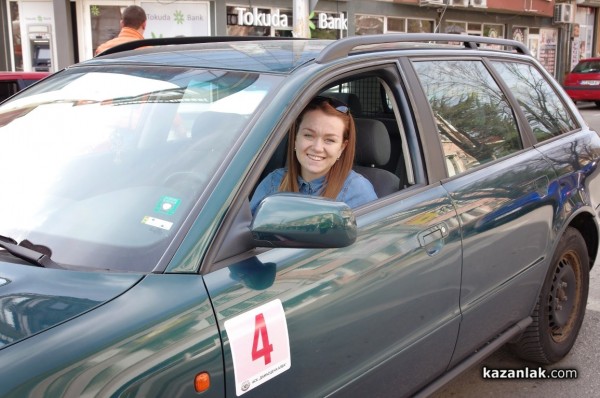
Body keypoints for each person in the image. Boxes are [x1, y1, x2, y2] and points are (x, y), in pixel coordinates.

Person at [250, 95, 378, 215]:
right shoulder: (273, 182)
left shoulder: (357, 191)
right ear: (295, 138)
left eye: (330, 140)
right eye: (308, 135)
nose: (317, 148)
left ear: (341, 147)